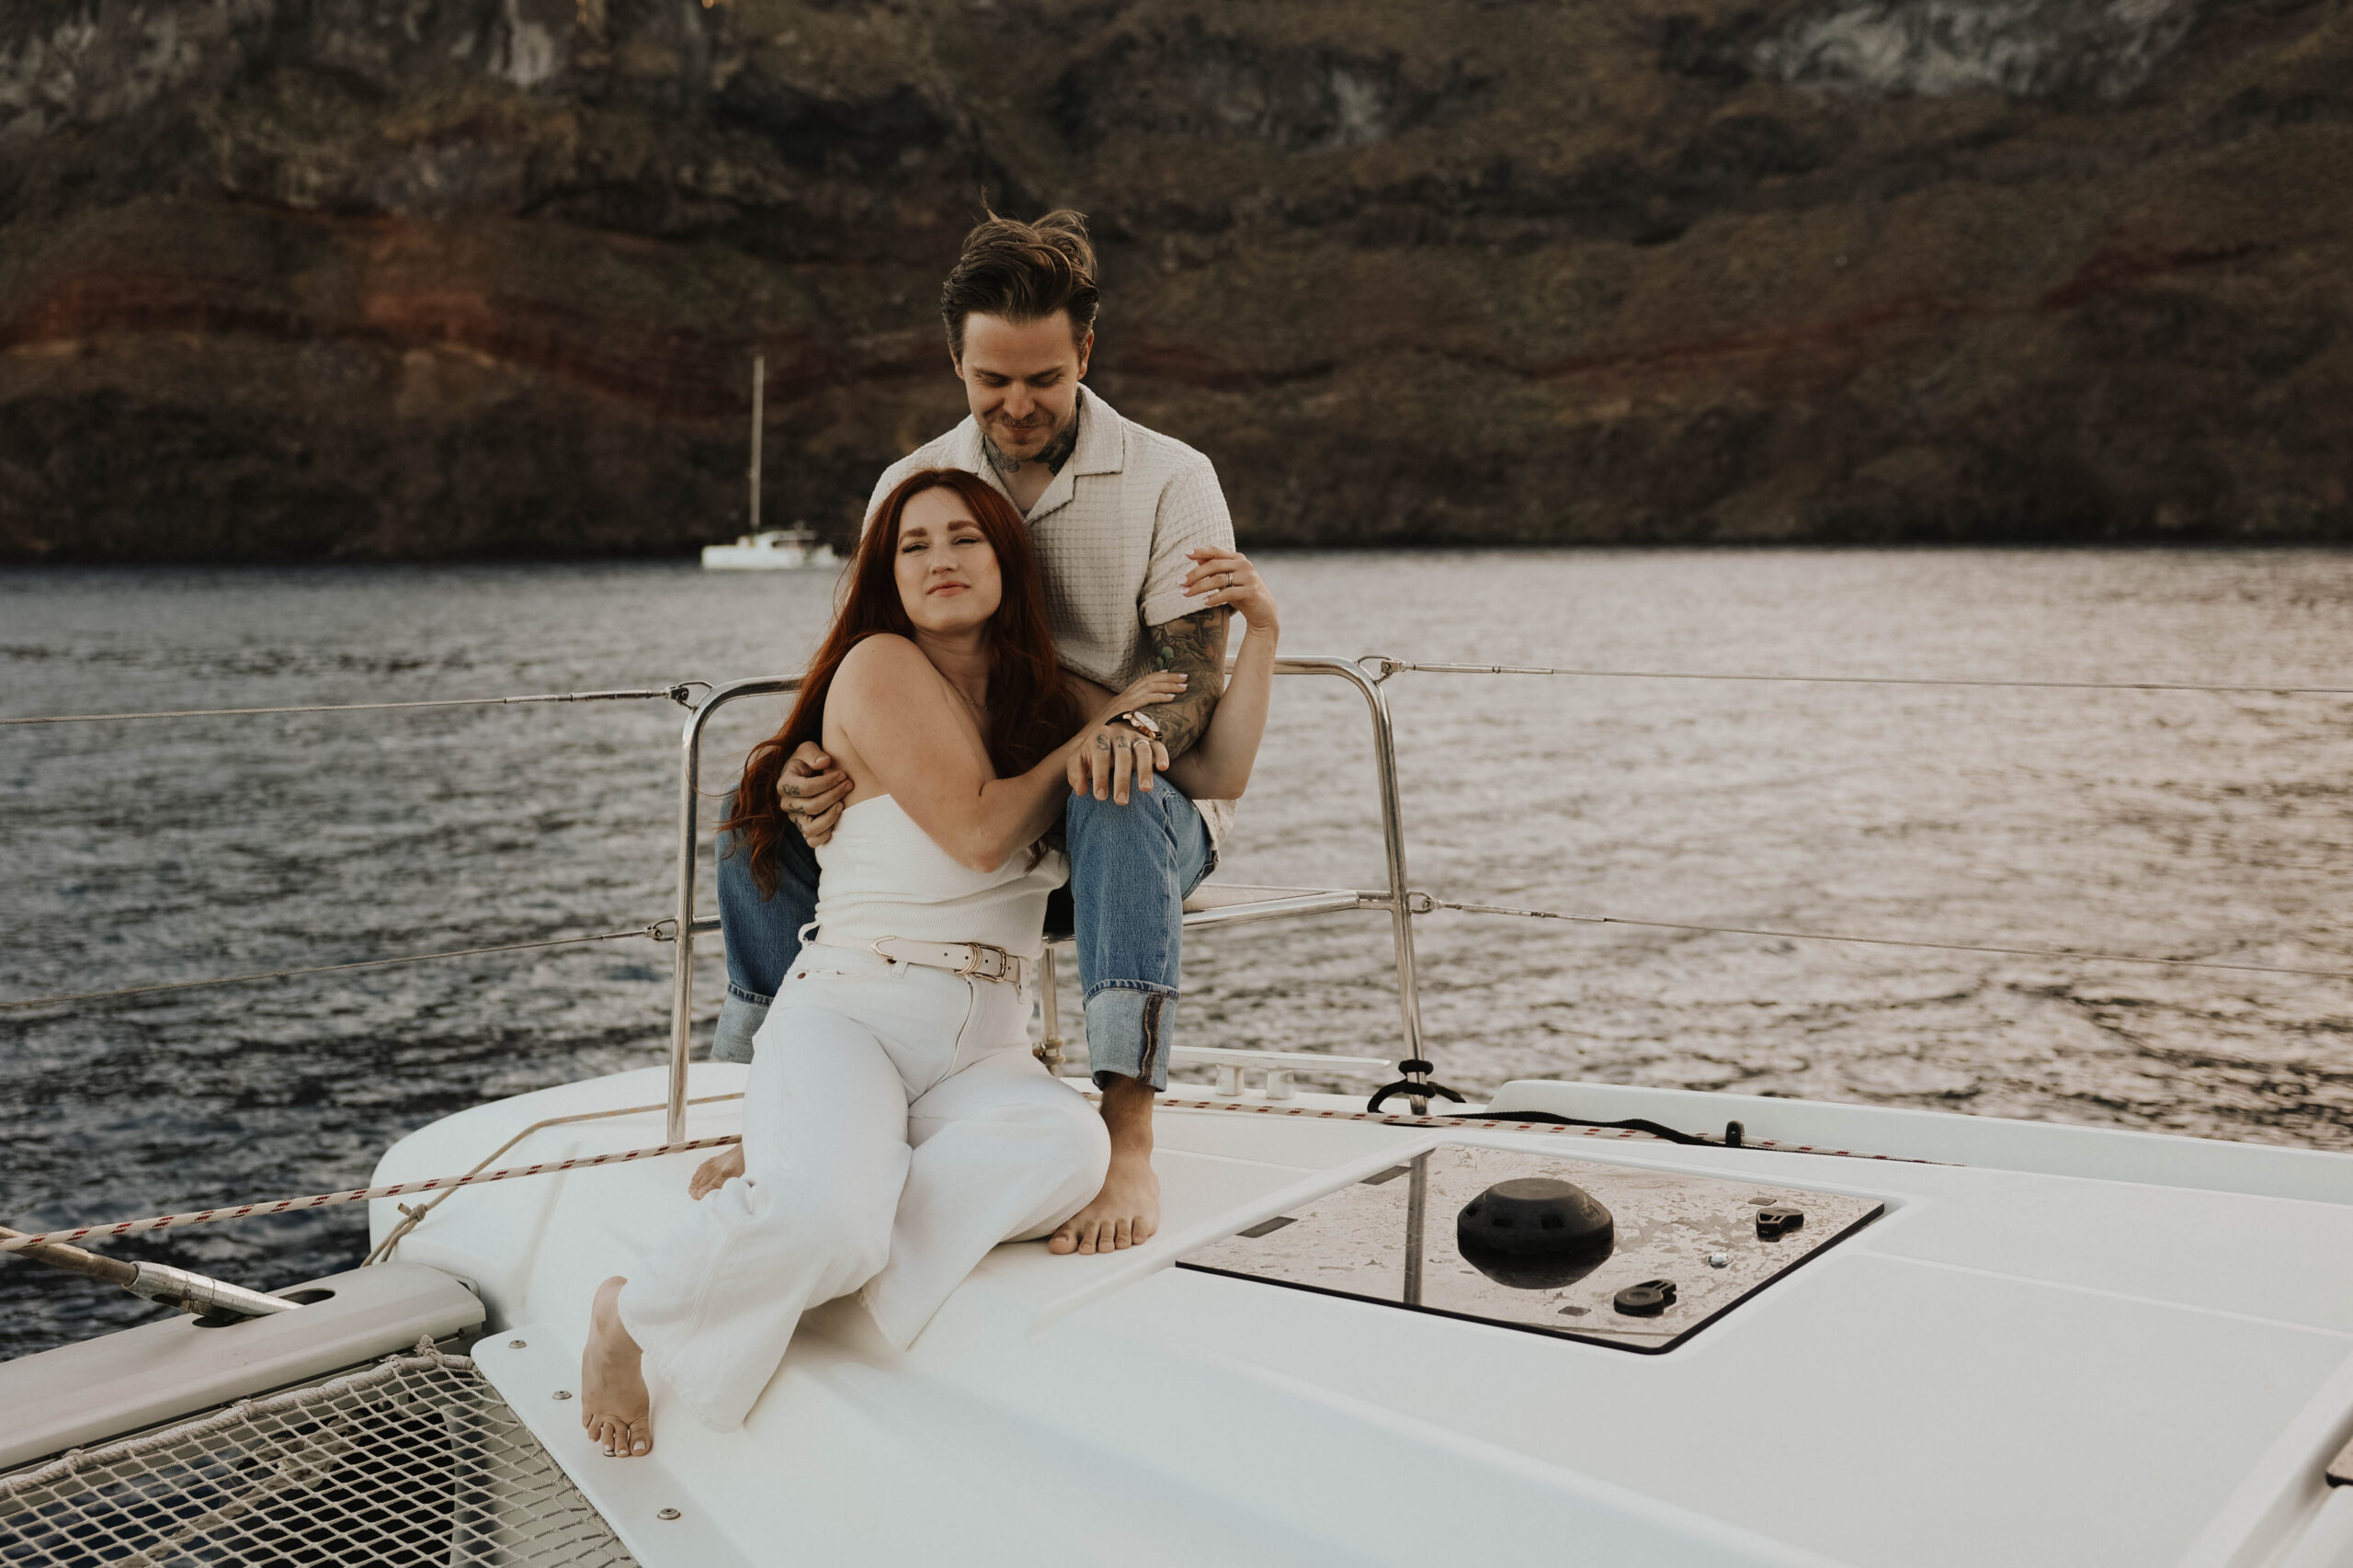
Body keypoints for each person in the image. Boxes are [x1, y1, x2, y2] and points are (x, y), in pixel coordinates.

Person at [580, 466, 1280, 1454]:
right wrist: (1096, 730)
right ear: (887, 574)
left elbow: (1218, 771)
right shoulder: (878, 665)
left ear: (1006, 560)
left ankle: (810, 1207)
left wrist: (1265, 634)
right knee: (832, 1219)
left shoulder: (1055, 697)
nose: (941, 559)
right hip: (856, 1008)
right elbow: (980, 832)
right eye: (914, 545)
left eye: (965, 538)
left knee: (1072, 1153)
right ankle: (631, 1311)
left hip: (983, 1043)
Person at [707, 209, 1268, 1256]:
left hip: (1136, 810)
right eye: (990, 380)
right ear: (955, 360)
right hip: (967, 802)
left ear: (1085, 353)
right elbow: (873, 659)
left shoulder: (1170, 477)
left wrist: (1111, 728)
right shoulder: (911, 484)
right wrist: (813, 767)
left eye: (1043, 379)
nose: (1016, 404)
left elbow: (1189, 679)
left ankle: (1127, 1128)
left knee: (1115, 785)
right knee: (755, 815)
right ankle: (769, 1108)